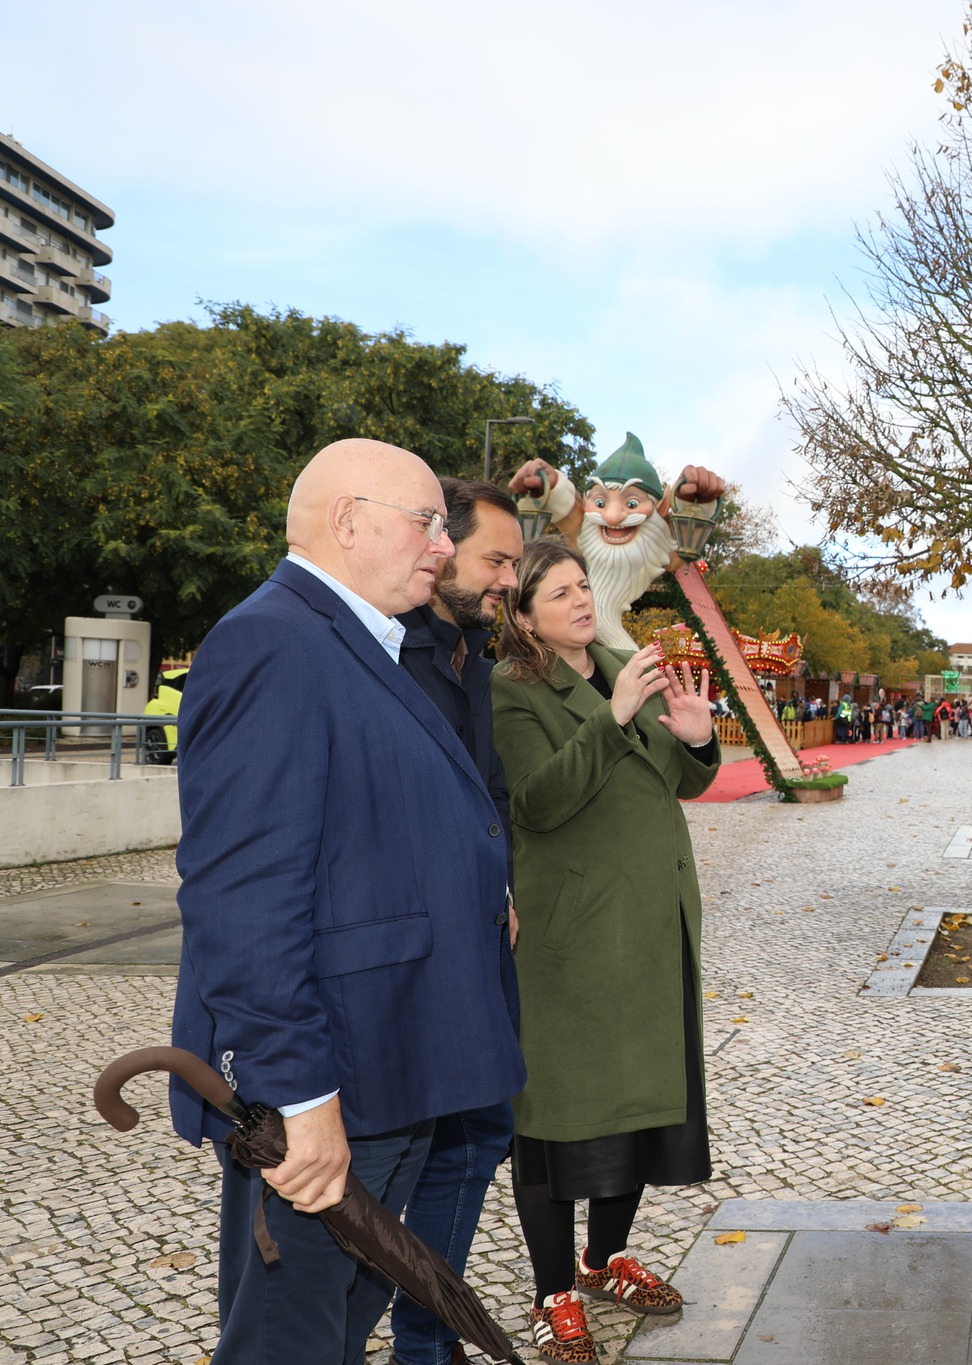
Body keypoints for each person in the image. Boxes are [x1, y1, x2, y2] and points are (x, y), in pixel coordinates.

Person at [171, 440, 523, 1364]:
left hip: (393, 1060)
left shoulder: (361, 641)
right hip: (337, 1077)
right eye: (427, 522)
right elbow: (244, 896)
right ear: (346, 520)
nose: (442, 545)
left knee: (334, 1329)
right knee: (287, 1339)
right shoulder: (271, 641)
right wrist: (299, 1094)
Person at [493, 540, 722, 1363]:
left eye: (582, 584)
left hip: (653, 927)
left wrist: (698, 741)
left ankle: (604, 1258)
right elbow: (537, 801)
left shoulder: (626, 665)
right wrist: (612, 716)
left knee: (641, 1102)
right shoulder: (512, 690)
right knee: (559, 1117)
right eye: (558, 593)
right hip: (573, 940)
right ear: (524, 616)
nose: (582, 600)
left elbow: (680, 781)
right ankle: (553, 1291)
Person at [390, 477, 525, 1365]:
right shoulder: (390, 654)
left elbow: (489, 792)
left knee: (477, 1139)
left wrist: (500, 883)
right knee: (401, 1161)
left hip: (478, 942)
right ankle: (417, 1339)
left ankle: (427, 1339)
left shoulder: (471, 653)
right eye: (496, 560)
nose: (508, 578)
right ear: (439, 547)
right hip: (417, 955)